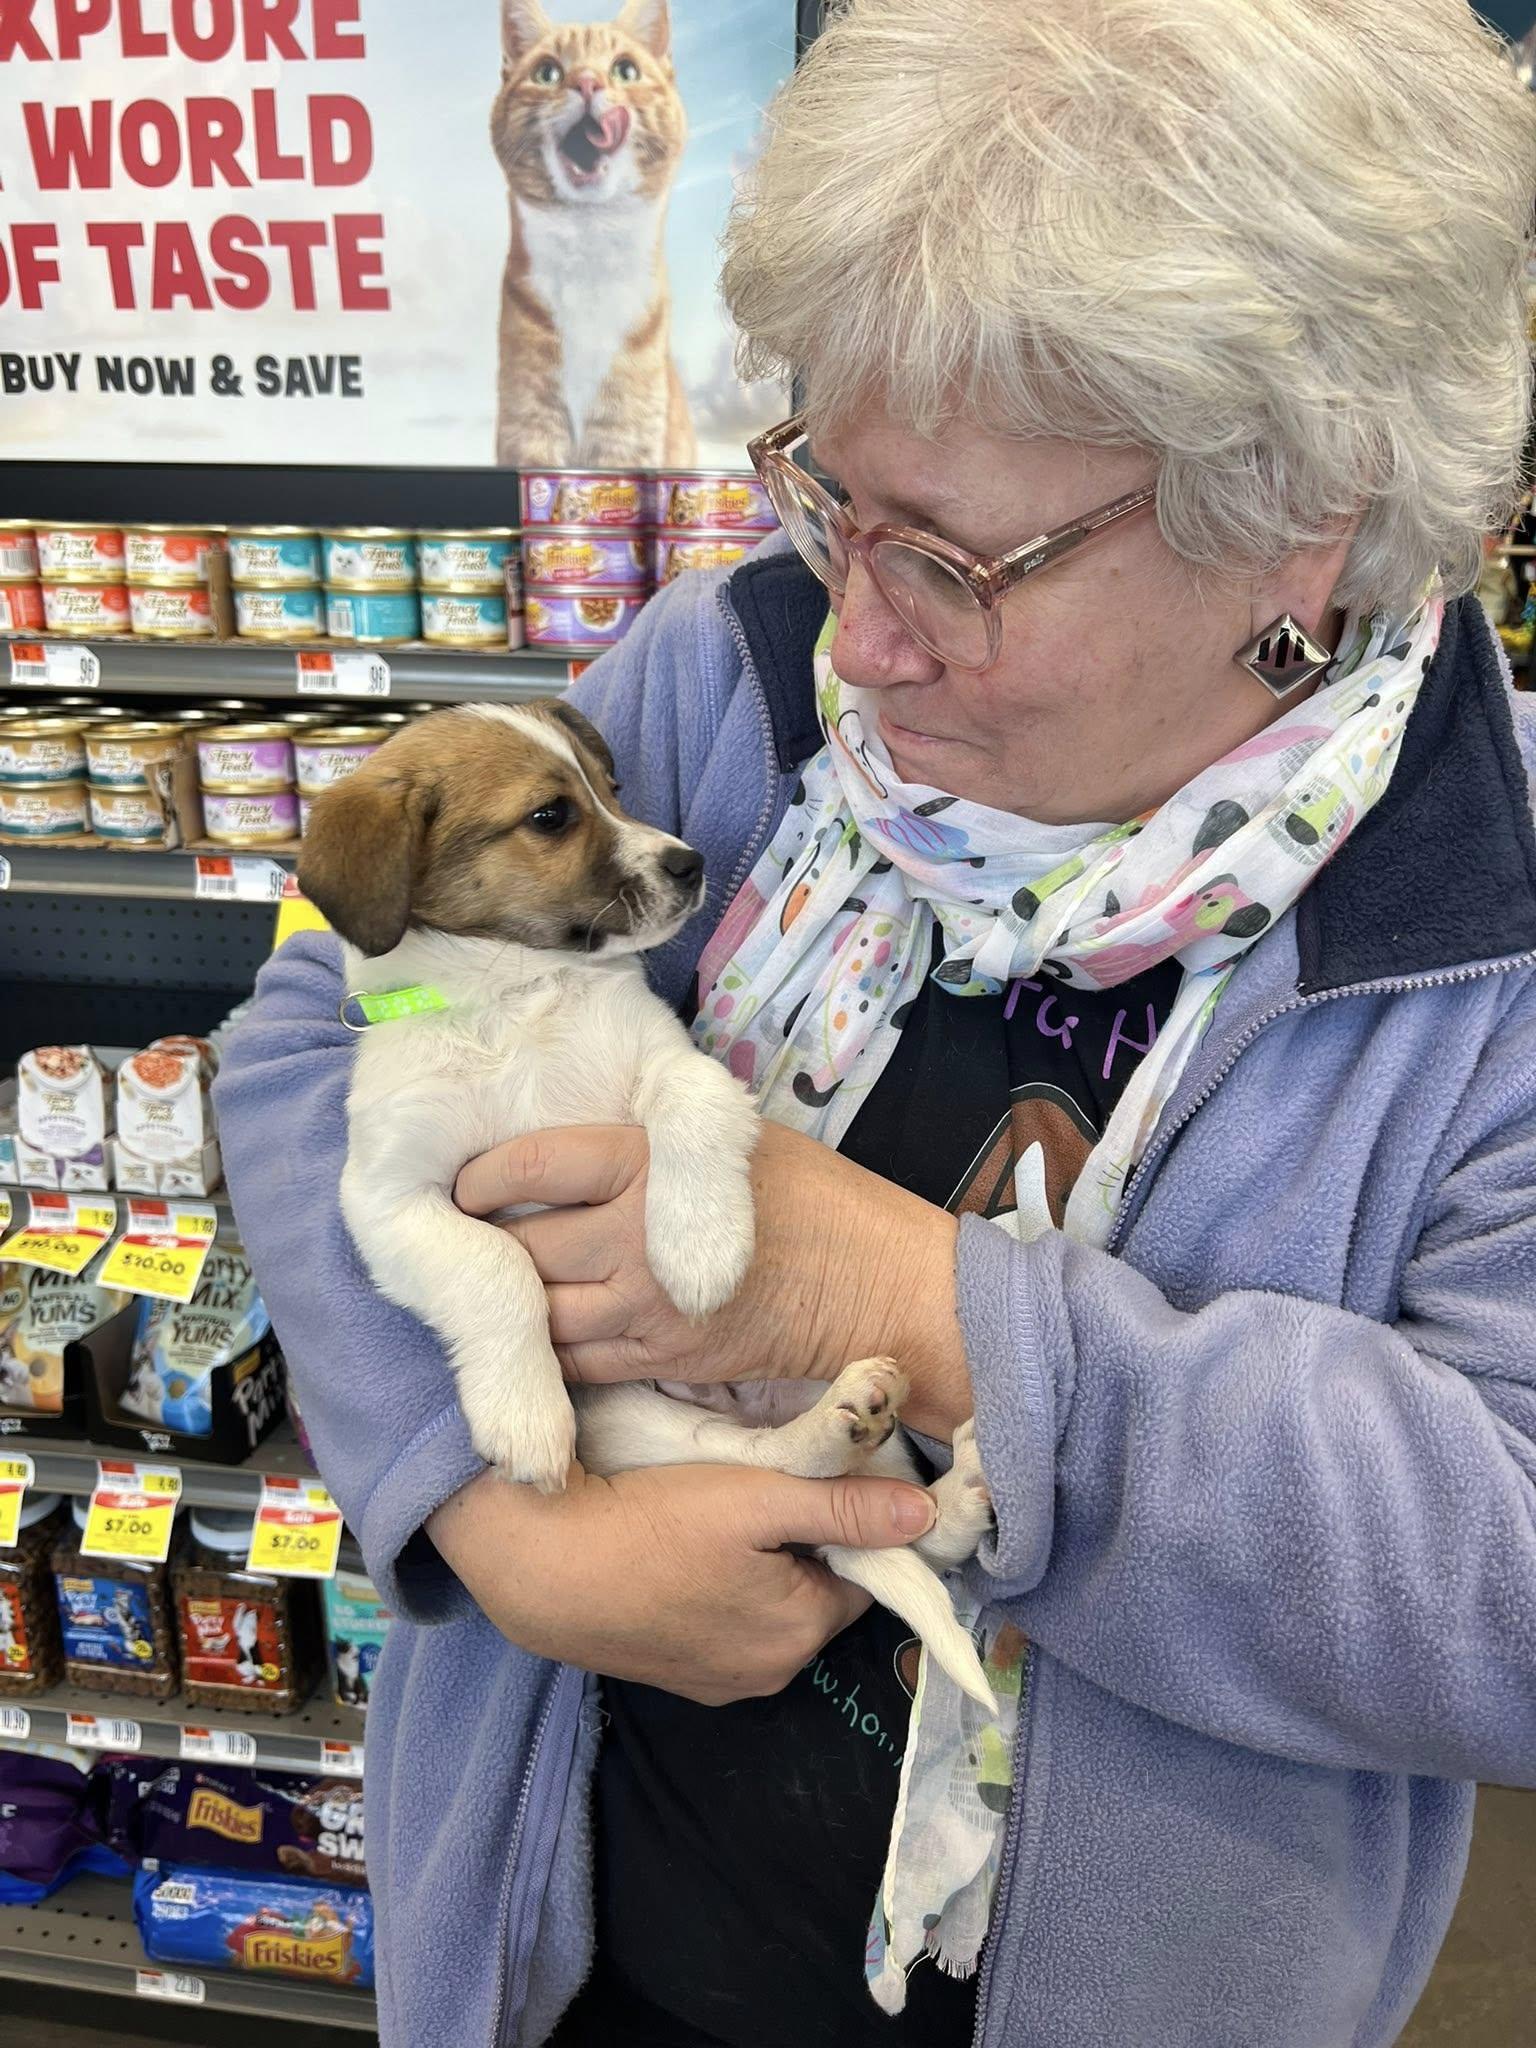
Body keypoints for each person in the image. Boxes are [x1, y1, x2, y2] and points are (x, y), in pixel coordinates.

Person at [214, 2, 1536, 2043]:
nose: (858, 624)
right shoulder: (723, 676)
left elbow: (1504, 1586)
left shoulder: (1487, 916)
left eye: (954, 553)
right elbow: (314, 1036)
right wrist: (496, 1521)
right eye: (830, 487)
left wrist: (930, 1309)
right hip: (572, 1961)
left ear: (1312, 516)